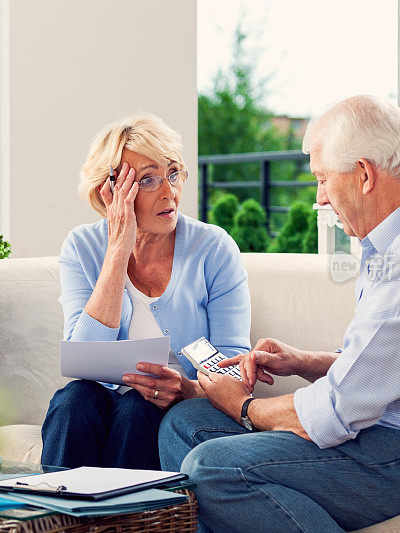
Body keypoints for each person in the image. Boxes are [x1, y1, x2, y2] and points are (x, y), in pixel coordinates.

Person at [158, 95, 400, 532]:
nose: (319, 198)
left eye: (322, 179)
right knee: (186, 423)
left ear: (364, 174)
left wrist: (241, 405)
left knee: (214, 467)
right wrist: (304, 362)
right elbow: (387, 367)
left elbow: (337, 410)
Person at [41, 112, 251, 470]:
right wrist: (118, 251)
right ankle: (55, 518)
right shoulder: (81, 246)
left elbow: (235, 374)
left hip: (174, 408)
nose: (170, 192)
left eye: (173, 173)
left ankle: (127, 521)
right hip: (96, 404)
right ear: (109, 192)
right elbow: (83, 358)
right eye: (149, 180)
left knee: (139, 407)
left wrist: (186, 388)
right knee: (75, 399)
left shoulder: (213, 248)